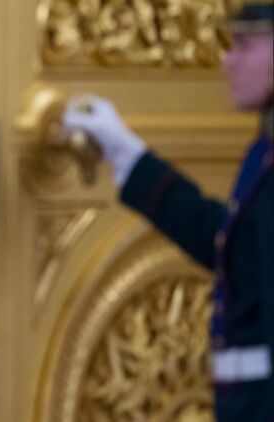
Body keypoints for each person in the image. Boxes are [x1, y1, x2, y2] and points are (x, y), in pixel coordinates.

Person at [63, 1, 273, 420]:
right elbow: (229, 245)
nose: (228, 61)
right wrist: (125, 151)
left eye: (246, 46)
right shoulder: (262, 153)